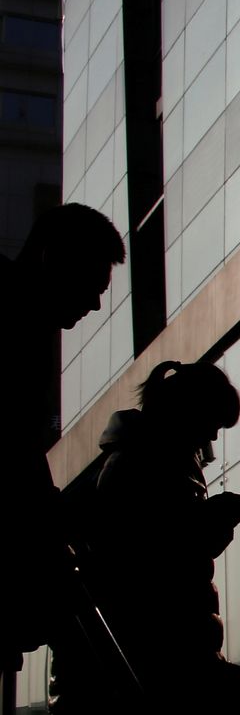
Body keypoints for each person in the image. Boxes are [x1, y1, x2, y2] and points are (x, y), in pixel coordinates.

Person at [73, 361, 240, 714]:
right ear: (188, 414)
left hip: (173, 657)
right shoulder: (141, 467)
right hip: (165, 660)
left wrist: (206, 526)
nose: (213, 438)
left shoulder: (148, 463)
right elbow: (147, 562)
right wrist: (207, 525)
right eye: (212, 424)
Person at [0, 204, 124, 674]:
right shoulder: (19, 329)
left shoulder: (25, 326)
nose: (94, 305)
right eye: (91, 287)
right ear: (53, 259)